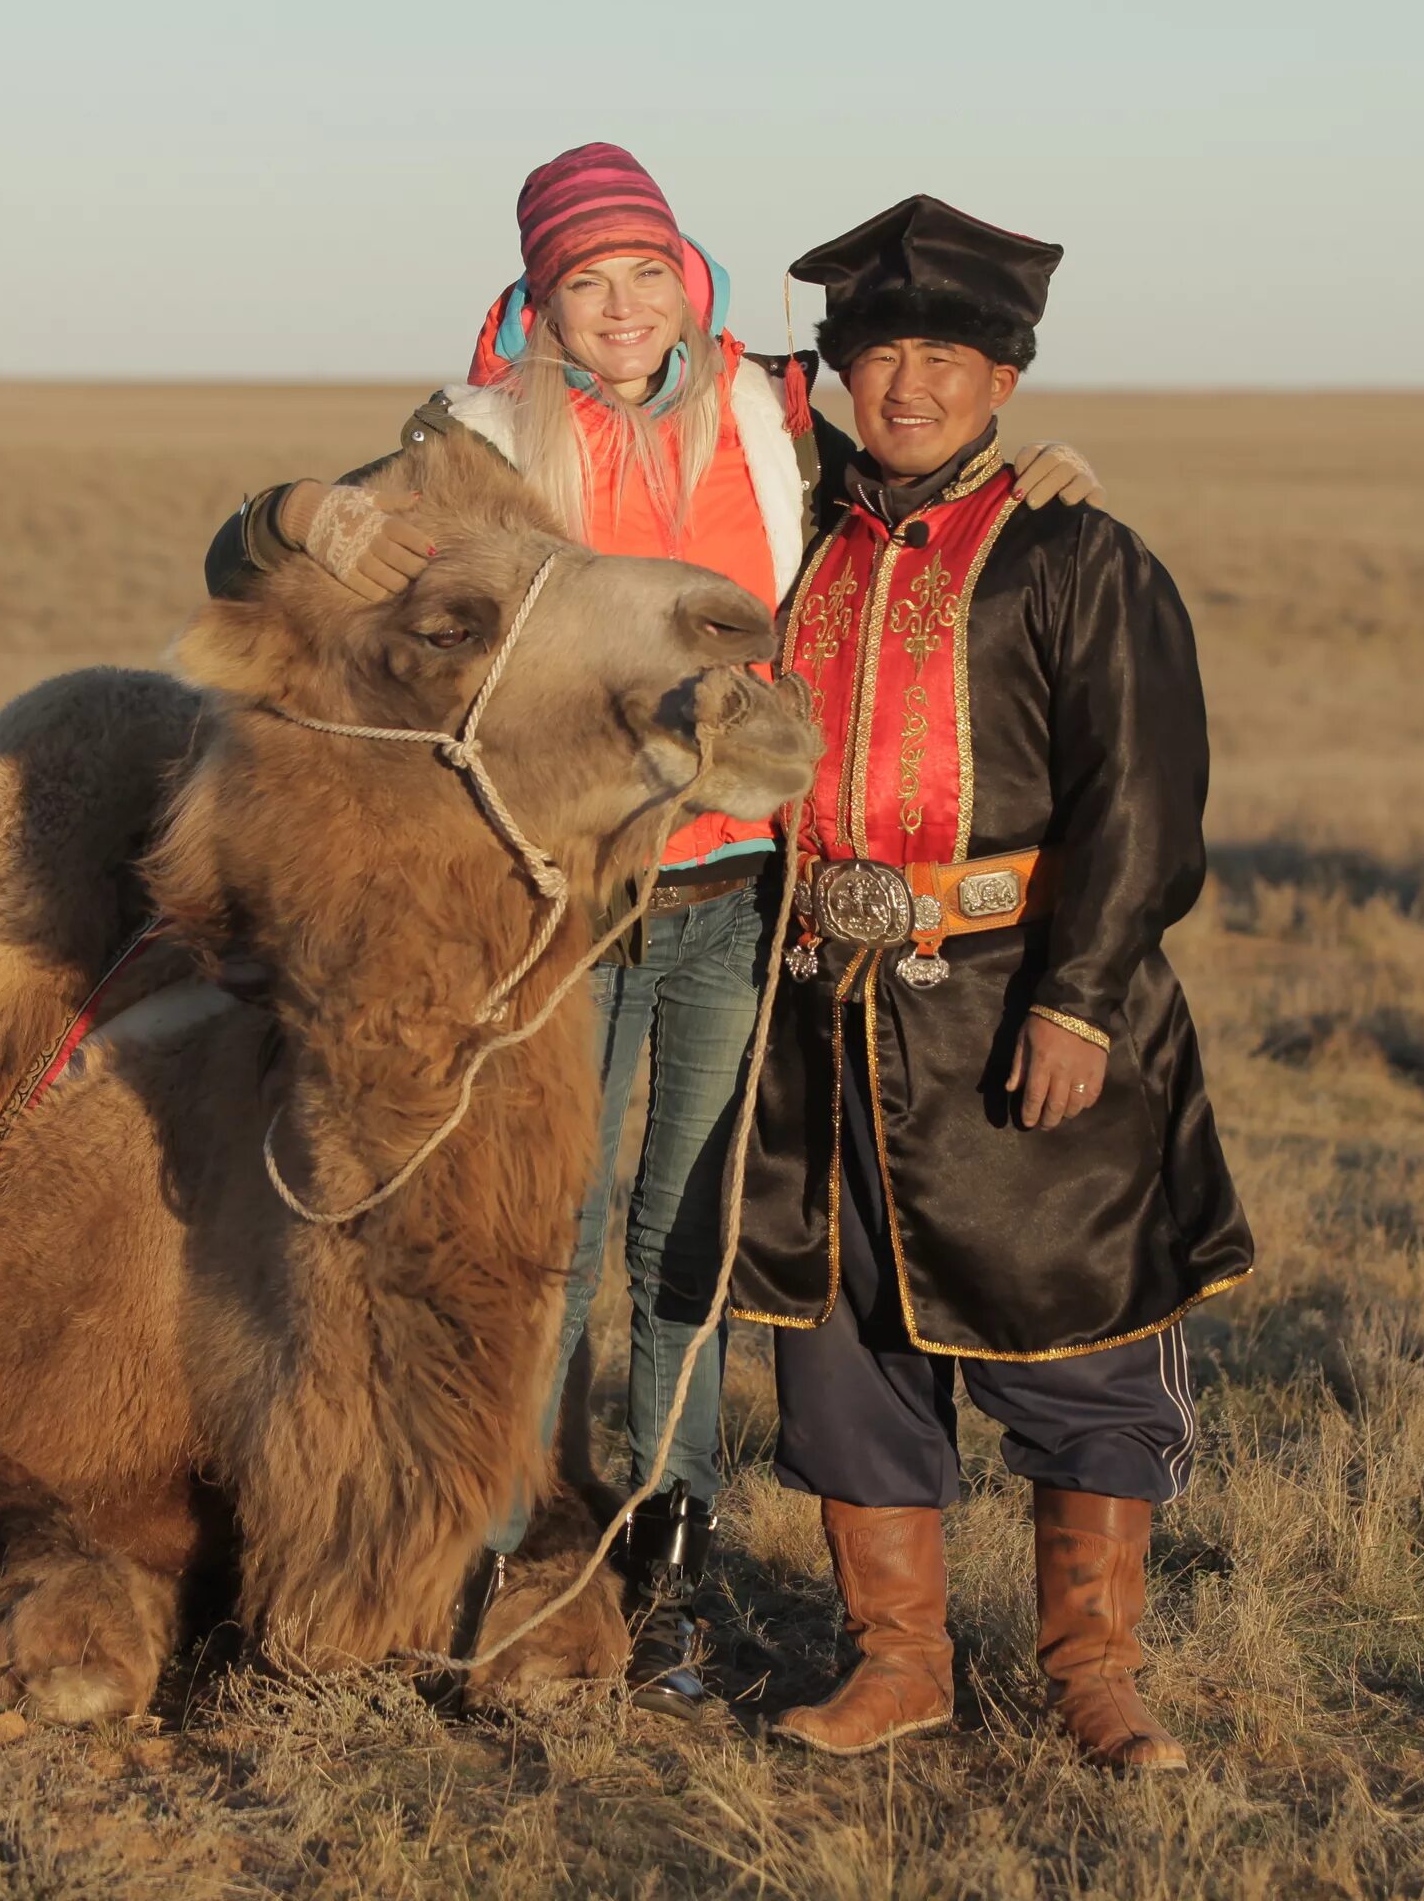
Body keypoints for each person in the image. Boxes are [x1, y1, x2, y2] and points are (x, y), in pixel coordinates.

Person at [203, 147, 1096, 1719]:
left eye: (643, 274)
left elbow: (918, 484)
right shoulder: (472, 453)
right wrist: (296, 510)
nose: (618, 310)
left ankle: (663, 1565)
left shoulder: (772, 421)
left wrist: (1040, 490)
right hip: (559, 908)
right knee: (534, 1246)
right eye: (582, 283)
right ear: (538, 303)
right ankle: (511, 1551)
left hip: (737, 898)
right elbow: (250, 564)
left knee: (685, 1247)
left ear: (691, 282)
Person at [727, 197, 1256, 1771]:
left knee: (1080, 1343)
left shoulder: (1075, 554)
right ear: (835, 371)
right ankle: (899, 1661)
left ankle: (1094, 1672)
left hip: (1022, 1006)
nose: (911, 382)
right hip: (822, 1011)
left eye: (948, 354)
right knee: (848, 1345)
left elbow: (1143, 796)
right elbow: (651, 382)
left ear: (1008, 376)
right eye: (879, 350)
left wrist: (1082, 1000)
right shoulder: (789, 526)